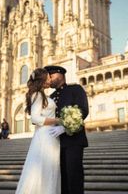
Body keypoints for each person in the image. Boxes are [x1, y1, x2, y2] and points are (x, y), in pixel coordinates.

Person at [44, 65, 89, 194]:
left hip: (73, 140)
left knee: (73, 175)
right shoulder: (51, 97)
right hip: (56, 142)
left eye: (51, 76)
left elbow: (83, 110)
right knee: (60, 178)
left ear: (60, 75)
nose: (50, 79)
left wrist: (66, 127)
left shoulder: (75, 89)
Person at [15, 68, 61, 194]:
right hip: (46, 136)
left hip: (49, 135)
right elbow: (35, 118)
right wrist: (58, 120)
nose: (50, 79)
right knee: (46, 170)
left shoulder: (41, 94)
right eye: (48, 77)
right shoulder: (38, 95)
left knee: (48, 170)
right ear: (42, 80)